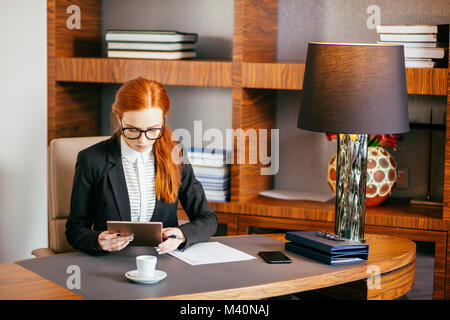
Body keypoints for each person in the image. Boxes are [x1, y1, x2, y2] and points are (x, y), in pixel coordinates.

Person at [65, 77, 218, 255]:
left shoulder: (175, 155)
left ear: (162, 120)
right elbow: (74, 230)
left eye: (153, 129)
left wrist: (182, 234)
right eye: (132, 129)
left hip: (162, 262)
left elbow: (208, 219)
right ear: (119, 119)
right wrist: (98, 241)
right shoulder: (92, 160)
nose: (142, 140)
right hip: (110, 262)